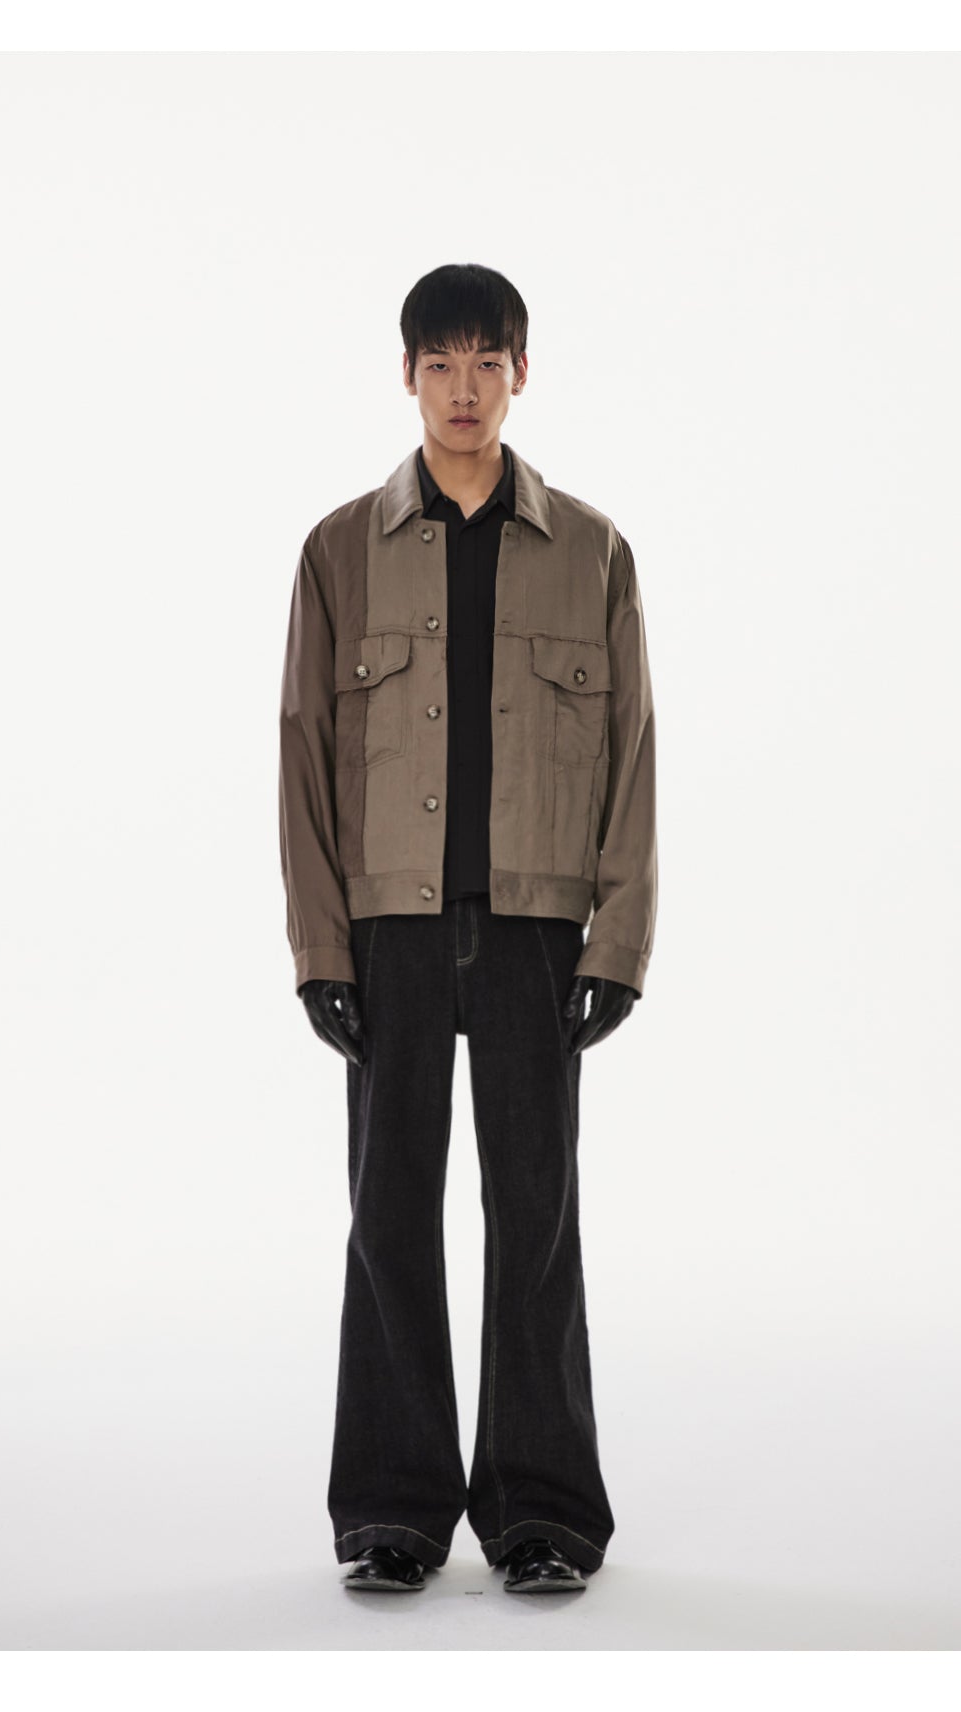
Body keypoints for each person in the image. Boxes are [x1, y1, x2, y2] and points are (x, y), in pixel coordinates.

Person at [278, 262, 657, 1595]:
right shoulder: (339, 550)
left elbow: (633, 753)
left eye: (486, 361)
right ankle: (391, 1509)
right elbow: (302, 756)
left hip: (537, 929)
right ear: (406, 375)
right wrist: (320, 951)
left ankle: (540, 1509)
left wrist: (617, 944)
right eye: (439, 362)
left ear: (521, 373)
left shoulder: (594, 551)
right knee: (389, 1213)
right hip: (387, 925)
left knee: (534, 1213)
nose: (462, 388)